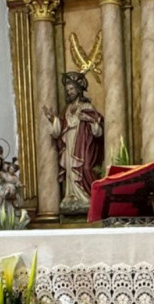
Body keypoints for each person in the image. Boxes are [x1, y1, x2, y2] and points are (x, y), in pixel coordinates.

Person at [42, 72, 104, 212]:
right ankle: (71, 195)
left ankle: (86, 197)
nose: (69, 92)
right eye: (67, 90)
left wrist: (90, 121)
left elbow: (98, 130)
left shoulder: (86, 107)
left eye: (71, 89)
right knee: (70, 170)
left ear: (78, 90)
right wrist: (53, 119)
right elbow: (60, 128)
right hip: (69, 142)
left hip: (83, 144)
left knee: (85, 168)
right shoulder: (67, 109)